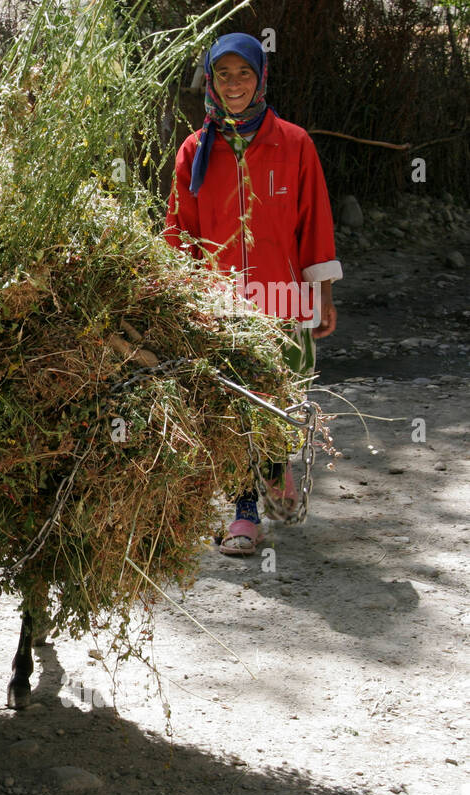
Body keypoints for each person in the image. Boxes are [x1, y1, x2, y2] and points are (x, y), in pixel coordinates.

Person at [164, 32, 341, 556]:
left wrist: (323, 293)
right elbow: (180, 232)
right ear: (211, 82)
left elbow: (315, 223)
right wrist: (181, 301)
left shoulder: (294, 144)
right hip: (220, 306)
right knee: (230, 409)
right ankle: (245, 515)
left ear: (261, 77)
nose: (235, 84)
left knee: (278, 404)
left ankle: (274, 466)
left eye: (245, 74)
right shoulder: (195, 151)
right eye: (224, 75)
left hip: (283, 301)